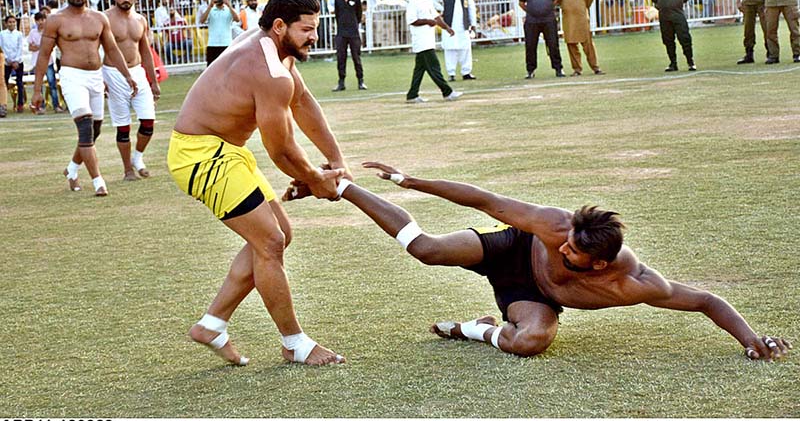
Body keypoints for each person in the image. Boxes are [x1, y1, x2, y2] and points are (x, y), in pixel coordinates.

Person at [287, 161, 792, 362]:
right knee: (428, 250)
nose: (564, 248)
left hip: (531, 297)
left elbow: (704, 299)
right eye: (567, 239)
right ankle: (342, 187)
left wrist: (753, 340)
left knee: (530, 341)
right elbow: (485, 201)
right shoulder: (552, 227)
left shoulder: (636, 284)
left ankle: (474, 329)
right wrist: (411, 182)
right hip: (510, 249)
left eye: (573, 252)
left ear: (600, 267)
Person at [167, 0, 350, 367]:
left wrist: (335, 160)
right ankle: (295, 344)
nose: (314, 37)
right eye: (307, 30)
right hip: (201, 156)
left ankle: (212, 324)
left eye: (315, 28)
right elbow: (280, 150)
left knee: (280, 235)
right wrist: (316, 180)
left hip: (225, 151)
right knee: (270, 242)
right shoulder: (269, 71)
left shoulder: (272, 46)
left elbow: (302, 102)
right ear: (280, 25)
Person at [31, 0, 137, 197]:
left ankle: (71, 170)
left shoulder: (99, 18)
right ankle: (99, 181)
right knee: (86, 127)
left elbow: (112, 50)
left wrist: (127, 76)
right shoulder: (56, 20)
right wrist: (38, 90)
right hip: (71, 76)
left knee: (94, 131)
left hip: (95, 77)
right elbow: (44, 55)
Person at [103, 0, 161, 181]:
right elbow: (97, 49)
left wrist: (153, 81)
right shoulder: (105, 19)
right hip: (113, 72)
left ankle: (138, 158)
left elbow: (145, 50)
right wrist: (101, 78)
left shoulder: (140, 19)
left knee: (148, 122)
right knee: (123, 125)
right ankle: (128, 170)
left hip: (137, 71)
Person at [405, 0, 463, 104]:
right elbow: (412, 20)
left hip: (428, 40)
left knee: (419, 69)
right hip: (421, 41)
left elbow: (436, 18)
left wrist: (447, 28)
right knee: (434, 67)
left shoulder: (428, 0)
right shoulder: (413, 2)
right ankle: (447, 92)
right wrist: (427, 21)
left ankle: (412, 95)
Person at [557, 0, 604, 77]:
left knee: (587, 44)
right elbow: (558, 0)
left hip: (581, 18)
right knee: (571, 44)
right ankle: (577, 69)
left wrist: (581, 8)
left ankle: (595, 67)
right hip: (568, 19)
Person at [432, 0, 478, 82]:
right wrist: (442, 8)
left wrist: (473, 23)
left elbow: (471, 8)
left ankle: (466, 72)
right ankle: (451, 73)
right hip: (449, 24)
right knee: (450, 48)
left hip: (463, 24)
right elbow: (432, 0)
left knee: (465, 48)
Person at [519, 0, 564, 79]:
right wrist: (531, 10)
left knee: (553, 45)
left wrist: (547, 8)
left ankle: (558, 69)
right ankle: (530, 70)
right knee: (530, 46)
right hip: (531, 21)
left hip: (548, 20)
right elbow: (521, 3)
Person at [651, 0, 696, 72]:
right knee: (668, 40)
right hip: (664, 16)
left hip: (678, 15)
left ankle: (690, 62)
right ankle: (673, 63)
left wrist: (677, 3)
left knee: (685, 38)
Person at [332, 0, 366, 92]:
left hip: (353, 33)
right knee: (341, 58)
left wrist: (353, 25)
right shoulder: (338, 0)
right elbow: (337, 15)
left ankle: (360, 81)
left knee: (356, 57)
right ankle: (341, 82)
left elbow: (359, 15)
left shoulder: (356, 0)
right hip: (341, 33)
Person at [28, 11, 66, 114]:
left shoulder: (48, 31)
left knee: (52, 84)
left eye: (43, 19)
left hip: (48, 61)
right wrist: (41, 47)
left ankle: (56, 105)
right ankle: (40, 106)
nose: (41, 22)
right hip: (37, 62)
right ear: (35, 21)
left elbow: (51, 45)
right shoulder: (33, 32)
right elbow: (30, 47)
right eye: (38, 20)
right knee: (38, 85)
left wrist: (40, 47)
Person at [199, 0, 238, 66]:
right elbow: (202, 21)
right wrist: (210, 6)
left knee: (227, 67)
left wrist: (229, 6)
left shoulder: (229, 10)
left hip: (226, 43)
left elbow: (237, 19)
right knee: (211, 68)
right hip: (213, 44)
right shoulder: (210, 10)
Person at [0, 15, 25, 113]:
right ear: (6, 23)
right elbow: (1, 47)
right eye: (9, 22)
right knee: (4, 83)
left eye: (13, 22)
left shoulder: (19, 34)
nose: (12, 24)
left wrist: (16, 60)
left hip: (18, 61)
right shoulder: (2, 34)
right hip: (6, 61)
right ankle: (3, 104)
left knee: (19, 83)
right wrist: (8, 59)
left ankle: (20, 104)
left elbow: (20, 47)